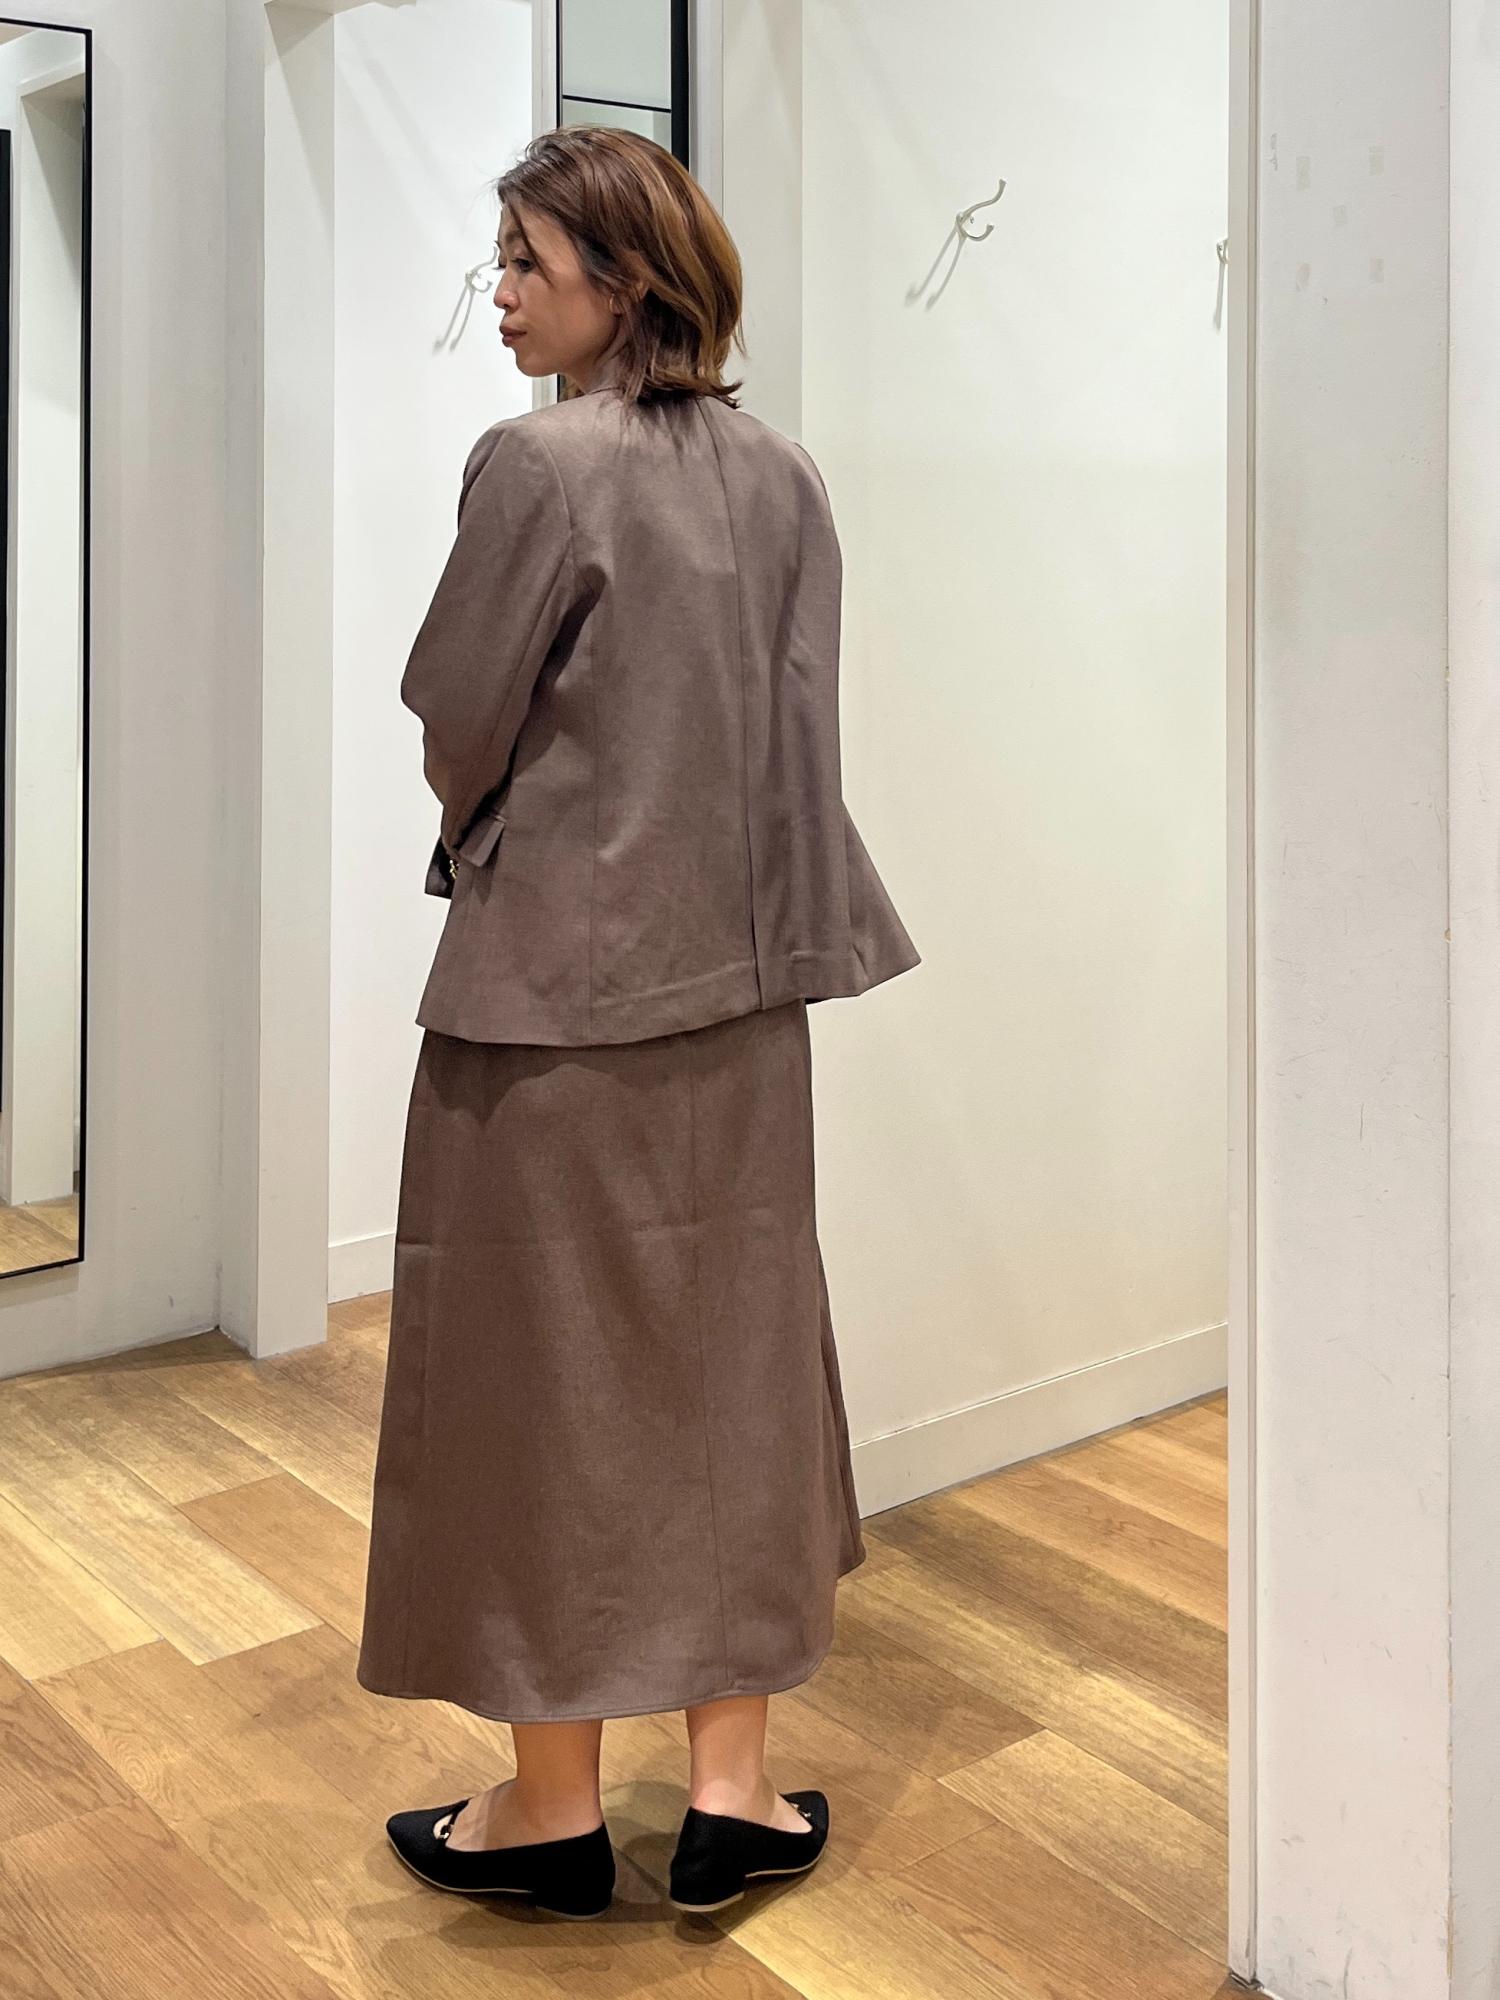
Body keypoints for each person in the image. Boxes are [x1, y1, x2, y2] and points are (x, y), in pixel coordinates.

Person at [356, 124, 921, 1921]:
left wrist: (498, 841)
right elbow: (797, 737)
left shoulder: (535, 465)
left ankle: (551, 1811)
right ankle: (734, 1795)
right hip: (741, 1005)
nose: (501, 294)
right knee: (733, 1372)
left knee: (539, 1386)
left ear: (625, 279)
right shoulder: (787, 476)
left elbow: (459, 713)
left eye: (528, 262)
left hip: (553, 1013)